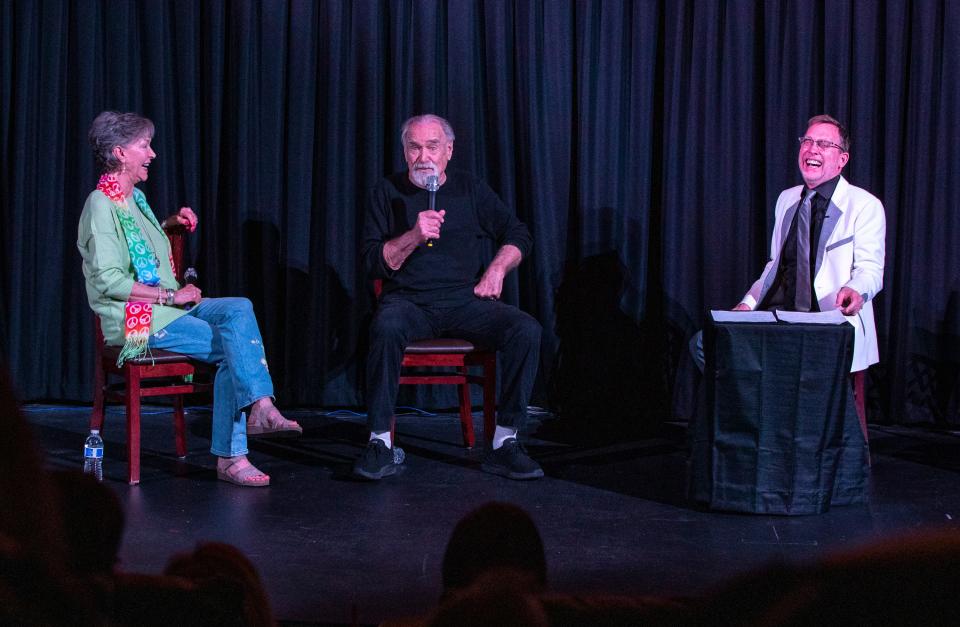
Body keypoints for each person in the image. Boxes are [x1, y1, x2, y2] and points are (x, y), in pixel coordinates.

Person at [78, 111, 301, 487]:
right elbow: (109, 280)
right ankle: (234, 453)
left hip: (167, 310)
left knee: (238, 308)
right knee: (234, 347)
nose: (152, 154)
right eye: (144, 146)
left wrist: (172, 225)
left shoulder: (135, 200)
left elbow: (138, 245)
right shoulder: (101, 205)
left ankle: (261, 406)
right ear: (119, 153)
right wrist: (170, 293)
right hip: (136, 321)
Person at [354, 114, 543, 481]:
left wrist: (497, 269)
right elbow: (373, 263)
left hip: (464, 303)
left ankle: (505, 441)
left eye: (432, 146)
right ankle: (379, 442)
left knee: (526, 330)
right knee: (385, 326)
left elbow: (518, 234)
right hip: (409, 302)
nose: (423, 155)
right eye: (414, 147)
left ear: (449, 151)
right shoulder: (385, 192)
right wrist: (413, 234)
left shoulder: (471, 190)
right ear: (405, 152)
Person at [692, 114, 886, 375]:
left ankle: (770, 409)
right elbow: (774, 265)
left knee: (791, 363)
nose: (812, 148)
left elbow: (871, 270)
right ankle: (753, 411)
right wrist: (748, 304)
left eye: (824, 144)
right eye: (807, 141)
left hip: (826, 322)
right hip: (779, 316)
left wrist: (855, 290)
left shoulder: (864, 205)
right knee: (705, 343)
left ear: (842, 160)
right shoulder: (787, 199)